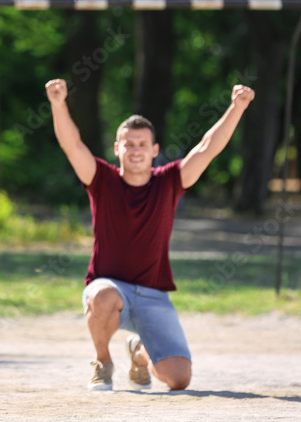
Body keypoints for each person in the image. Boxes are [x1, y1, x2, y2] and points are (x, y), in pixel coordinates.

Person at [44, 78, 255, 391]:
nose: (136, 150)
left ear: (155, 150)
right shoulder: (101, 179)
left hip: (153, 295)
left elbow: (208, 148)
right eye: (128, 144)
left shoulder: (170, 181)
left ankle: (138, 353)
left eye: (143, 144)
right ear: (117, 149)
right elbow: (72, 145)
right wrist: (58, 104)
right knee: (102, 297)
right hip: (110, 287)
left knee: (179, 379)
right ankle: (103, 362)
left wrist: (237, 108)